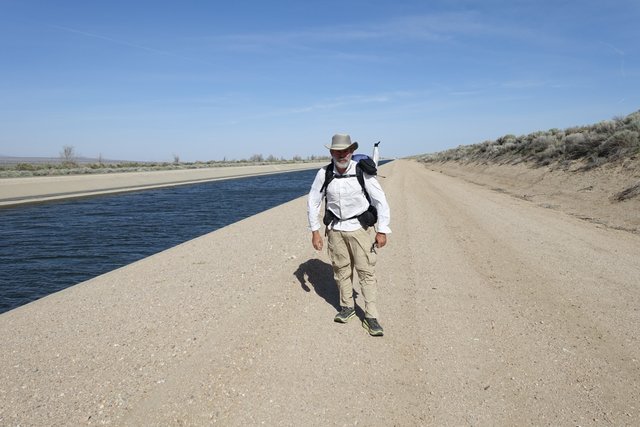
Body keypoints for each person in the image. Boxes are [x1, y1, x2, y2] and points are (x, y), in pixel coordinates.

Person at [307, 134, 391, 336]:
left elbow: (380, 200)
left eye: (345, 150)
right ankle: (347, 307)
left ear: (352, 151)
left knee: (366, 273)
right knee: (341, 271)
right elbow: (313, 202)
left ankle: (371, 316)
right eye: (337, 151)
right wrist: (315, 231)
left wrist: (382, 229)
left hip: (360, 230)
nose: (342, 154)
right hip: (335, 230)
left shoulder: (362, 172)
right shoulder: (324, 173)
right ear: (331, 153)